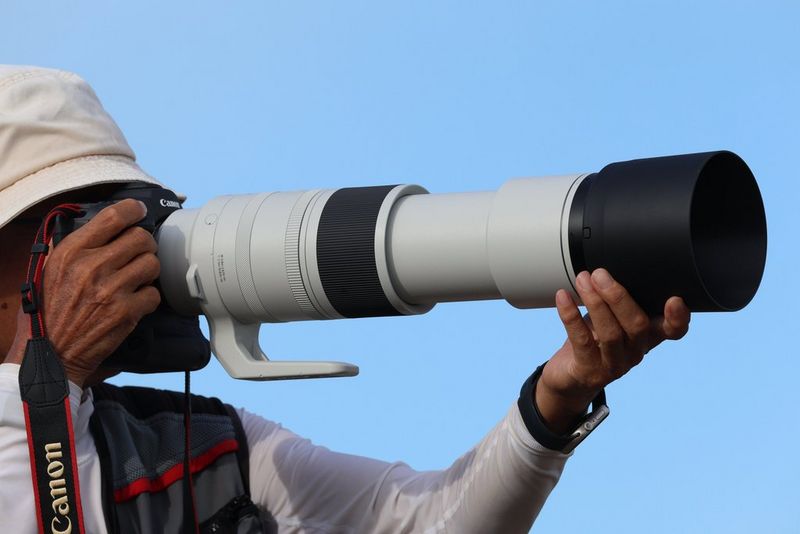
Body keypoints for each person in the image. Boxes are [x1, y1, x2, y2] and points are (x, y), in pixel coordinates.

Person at [0, 65, 691, 533]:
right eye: (74, 225)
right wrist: (43, 382)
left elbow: (428, 521)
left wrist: (554, 402)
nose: (121, 253)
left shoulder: (204, 450)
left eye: (122, 214)